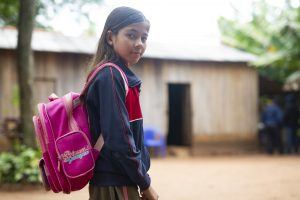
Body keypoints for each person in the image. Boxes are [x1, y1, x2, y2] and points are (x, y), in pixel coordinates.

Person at [83, 7, 158, 200]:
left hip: (119, 179)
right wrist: (145, 183)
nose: (139, 44)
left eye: (144, 38)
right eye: (131, 35)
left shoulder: (117, 75)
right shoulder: (111, 75)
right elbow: (120, 138)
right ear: (110, 37)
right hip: (115, 182)